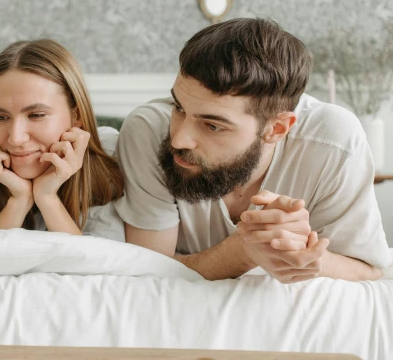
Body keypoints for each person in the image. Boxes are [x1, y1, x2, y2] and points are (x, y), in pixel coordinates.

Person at [115, 18, 391, 283]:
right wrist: (243, 253)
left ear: (277, 129)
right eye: (179, 108)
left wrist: (301, 254)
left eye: (212, 126)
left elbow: (369, 269)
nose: (179, 140)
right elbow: (147, 269)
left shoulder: (334, 141)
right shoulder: (148, 131)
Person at [0, 39, 125, 241]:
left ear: (77, 116)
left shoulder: (108, 152)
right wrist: (19, 200)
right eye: (1, 117)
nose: (16, 138)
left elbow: (99, 261)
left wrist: (47, 199)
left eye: (36, 115)